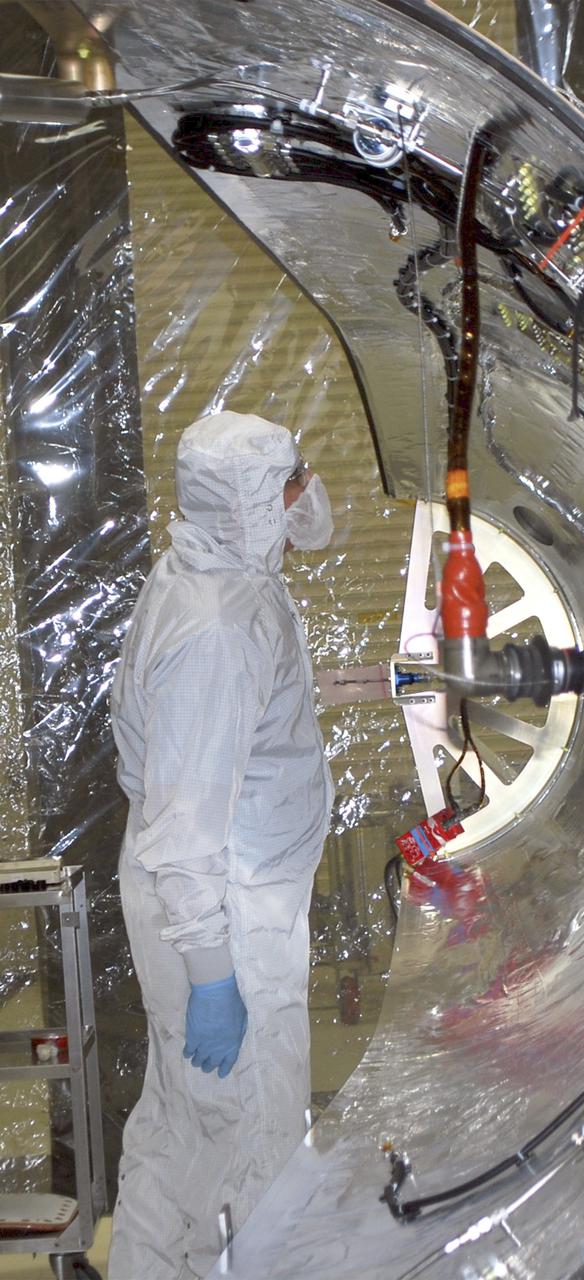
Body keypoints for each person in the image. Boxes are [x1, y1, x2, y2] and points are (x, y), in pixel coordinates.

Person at [107, 410, 335, 1280]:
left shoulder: (216, 568)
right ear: (243, 503)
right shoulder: (217, 627)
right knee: (250, 1144)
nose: (302, 495)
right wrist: (212, 976)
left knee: (182, 1137)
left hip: (214, 891)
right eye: (285, 484)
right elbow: (189, 825)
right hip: (220, 908)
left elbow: (309, 530)